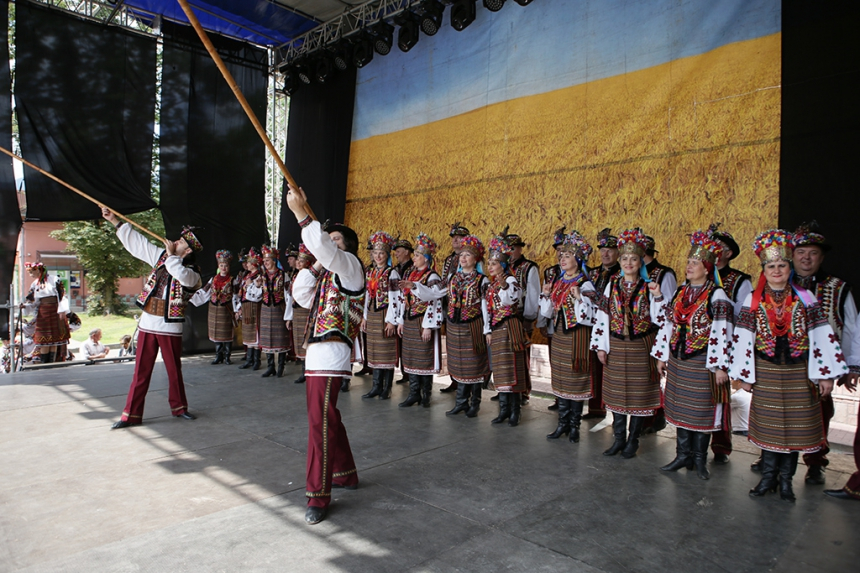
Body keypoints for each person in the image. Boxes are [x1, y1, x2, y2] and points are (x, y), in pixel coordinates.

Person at [731, 229, 846, 502]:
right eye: (771, 266)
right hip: (766, 371)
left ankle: (786, 482)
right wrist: (743, 375)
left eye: (782, 265)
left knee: (794, 427)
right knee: (770, 425)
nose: (777, 270)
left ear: (789, 267)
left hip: (799, 373)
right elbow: (743, 338)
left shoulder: (806, 298)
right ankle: (768, 478)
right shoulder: (753, 299)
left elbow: (821, 336)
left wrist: (825, 375)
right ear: (764, 270)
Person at [286, 183, 364, 526]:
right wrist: (316, 264)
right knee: (326, 418)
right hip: (316, 354)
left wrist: (301, 214)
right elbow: (300, 293)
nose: (329, 243)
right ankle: (345, 473)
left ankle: (317, 495)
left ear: (347, 248)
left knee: (318, 423)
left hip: (332, 355)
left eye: (336, 240)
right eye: (327, 238)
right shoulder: (327, 276)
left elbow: (324, 249)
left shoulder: (351, 267)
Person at [102, 207, 202, 429]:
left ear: (187, 250)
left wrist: (172, 256)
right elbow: (138, 244)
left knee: (173, 371)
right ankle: (131, 414)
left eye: (181, 242)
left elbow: (180, 275)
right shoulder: (161, 256)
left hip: (169, 326)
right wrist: (114, 220)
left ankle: (179, 408)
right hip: (148, 322)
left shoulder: (192, 273)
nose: (175, 241)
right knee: (141, 371)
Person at [652, 229, 733, 479]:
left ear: (707, 268)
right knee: (680, 407)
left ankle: (699, 459)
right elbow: (668, 323)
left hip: (703, 362)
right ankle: (682, 455)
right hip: (679, 361)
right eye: (688, 261)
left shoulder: (717, 295)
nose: (689, 266)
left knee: (700, 410)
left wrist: (720, 366)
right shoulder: (681, 292)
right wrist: (661, 355)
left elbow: (723, 331)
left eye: (695, 263)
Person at [791, 223, 857, 486]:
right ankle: (772, 456)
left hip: (820, 366)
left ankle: (816, 463)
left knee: (819, 414)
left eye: (813, 253)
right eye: (801, 252)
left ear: (822, 257)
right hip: (784, 363)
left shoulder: (837, 288)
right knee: (780, 410)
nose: (806, 258)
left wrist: (851, 366)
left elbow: (850, 328)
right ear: (792, 255)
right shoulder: (778, 282)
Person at [590, 228, 663, 458]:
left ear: (641, 261)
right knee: (616, 392)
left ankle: (633, 440)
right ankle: (619, 439)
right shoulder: (613, 284)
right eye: (624, 259)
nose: (628, 263)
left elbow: (661, 319)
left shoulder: (649, 286)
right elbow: (603, 316)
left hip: (641, 346)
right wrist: (601, 346)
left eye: (633, 259)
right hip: (617, 344)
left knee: (639, 394)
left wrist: (659, 297)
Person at [411, 234, 490, 417]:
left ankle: (475, 403)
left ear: (476, 259)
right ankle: (461, 402)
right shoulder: (453, 277)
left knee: (474, 365)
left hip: (473, 327)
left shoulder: (482, 280)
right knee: (458, 364)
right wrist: (414, 286)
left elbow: (486, 308)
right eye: (461, 255)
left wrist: (487, 330)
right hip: (454, 326)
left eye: (467, 255)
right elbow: (434, 293)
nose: (463, 258)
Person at [539, 230, 597, 442]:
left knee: (575, 379)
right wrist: (546, 295)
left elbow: (590, 316)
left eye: (568, 256)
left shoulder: (585, 284)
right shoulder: (558, 282)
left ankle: (574, 426)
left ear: (578, 260)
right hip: (560, 336)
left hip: (576, 337)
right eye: (561, 255)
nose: (562, 259)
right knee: (561, 378)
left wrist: (580, 298)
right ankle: (562, 423)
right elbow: (547, 312)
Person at [710, 224, 753, 464]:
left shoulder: (739, 281)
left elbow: (743, 317)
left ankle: (721, 446)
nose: (714, 251)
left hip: (725, 346)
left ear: (729, 253)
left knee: (721, 397)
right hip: (698, 346)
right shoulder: (699, 275)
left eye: (719, 247)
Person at [484, 231, 529, 426]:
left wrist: (503, 286)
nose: (490, 267)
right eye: (489, 263)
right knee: (500, 369)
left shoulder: (510, 281)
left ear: (502, 265)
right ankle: (503, 409)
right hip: (497, 329)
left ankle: (515, 411)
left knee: (512, 368)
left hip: (510, 328)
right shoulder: (492, 284)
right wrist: (487, 330)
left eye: (494, 263)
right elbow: (488, 309)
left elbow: (512, 298)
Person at [396, 234, 444, 408]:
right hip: (410, 320)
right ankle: (413, 393)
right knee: (411, 357)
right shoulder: (411, 273)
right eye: (414, 255)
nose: (414, 258)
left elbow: (434, 300)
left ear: (426, 258)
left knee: (424, 358)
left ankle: (426, 395)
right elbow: (403, 298)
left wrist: (428, 326)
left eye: (417, 255)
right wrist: (401, 320)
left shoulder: (432, 276)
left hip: (423, 321)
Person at [359, 231, 401, 400]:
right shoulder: (370, 272)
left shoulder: (392, 273)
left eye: (381, 253)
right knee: (374, 350)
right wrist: (364, 316)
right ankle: (376, 386)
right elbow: (367, 295)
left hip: (385, 314)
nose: (378, 256)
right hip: (372, 313)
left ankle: (387, 387)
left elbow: (395, 298)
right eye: (375, 253)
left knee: (386, 351)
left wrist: (391, 321)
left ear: (387, 254)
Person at [586, 228, 621, 420]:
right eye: (602, 250)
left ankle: (616, 413)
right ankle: (595, 408)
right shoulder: (592, 273)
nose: (605, 254)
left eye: (610, 250)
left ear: (618, 253)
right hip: (592, 327)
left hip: (614, 329)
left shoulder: (621, 275)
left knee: (612, 370)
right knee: (594, 368)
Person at [505, 231, 539, 404]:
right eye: (507, 249)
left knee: (522, 355)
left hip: (521, 317)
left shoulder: (529, 267)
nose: (510, 252)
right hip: (504, 318)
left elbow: (533, 294)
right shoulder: (502, 267)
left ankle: (523, 392)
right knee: (506, 355)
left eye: (513, 248)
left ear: (520, 249)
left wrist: (529, 318)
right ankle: (507, 389)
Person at [438, 222, 471, 394]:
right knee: (452, 346)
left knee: (466, 347)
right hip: (450, 306)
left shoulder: (474, 260)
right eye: (454, 238)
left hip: (467, 308)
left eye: (459, 238)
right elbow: (444, 281)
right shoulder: (449, 260)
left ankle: (469, 382)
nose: (455, 241)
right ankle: (454, 379)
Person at [191, 250, 236, 365]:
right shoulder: (213, 279)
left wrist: (237, 310)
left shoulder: (232, 280)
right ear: (218, 266)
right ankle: (218, 355)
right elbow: (204, 291)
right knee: (216, 332)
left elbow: (236, 296)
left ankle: (227, 356)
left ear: (229, 266)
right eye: (221, 265)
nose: (224, 268)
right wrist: (191, 295)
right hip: (214, 309)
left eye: (226, 266)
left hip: (226, 309)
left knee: (227, 333)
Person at [21, 261, 70, 364]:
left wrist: (62, 310)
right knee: (43, 340)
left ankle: (51, 363)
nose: (30, 275)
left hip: (56, 310)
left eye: (31, 272)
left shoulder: (55, 279)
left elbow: (62, 295)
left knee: (54, 340)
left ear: (38, 270)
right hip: (43, 312)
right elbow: (33, 301)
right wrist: (25, 305)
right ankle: (44, 363)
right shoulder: (34, 284)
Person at [542, 225, 567, 412]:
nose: (561, 255)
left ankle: (572, 401)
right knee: (555, 362)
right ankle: (559, 398)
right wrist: (542, 322)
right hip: (554, 324)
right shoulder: (550, 272)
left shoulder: (583, 275)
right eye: (559, 250)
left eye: (565, 251)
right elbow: (544, 299)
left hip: (573, 327)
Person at [284, 244, 316, 384]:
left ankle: (310, 371)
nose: (298, 263)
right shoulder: (295, 276)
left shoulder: (311, 276)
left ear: (308, 263)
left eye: (301, 261)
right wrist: (289, 317)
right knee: (299, 341)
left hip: (306, 311)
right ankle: (304, 371)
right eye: (297, 260)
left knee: (307, 341)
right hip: (297, 312)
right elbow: (291, 297)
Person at [259, 245, 291, 378]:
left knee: (280, 337)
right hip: (266, 308)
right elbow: (257, 293)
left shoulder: (283, 275)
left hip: (279, 308)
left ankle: (281, 366)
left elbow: (289, 295)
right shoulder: (262, 276)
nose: (265, 263)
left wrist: (289, 315)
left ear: (274, 260)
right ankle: (270, 366)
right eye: (264, 261)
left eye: (267, 260)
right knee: (267, 337)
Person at [392, 236, 414, 386]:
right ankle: (404, 371)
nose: (396, 254)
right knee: (399, 341)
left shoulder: (413, 268)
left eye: (399, 251)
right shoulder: (395, 269)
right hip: (397, 306)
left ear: (407, 252)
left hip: (409, 306)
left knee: (408, 342)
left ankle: (410, 372)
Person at [236, 248, 263, 370]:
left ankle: (257, 361)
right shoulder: (247, 275)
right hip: (246, 306)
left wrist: (249, 286)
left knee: (255, 333)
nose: (246, 264)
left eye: (248, 262)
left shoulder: (259, 276)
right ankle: (249, 359)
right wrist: (239, 308)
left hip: (254, 307)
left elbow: (258, 293)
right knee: (248, 333)